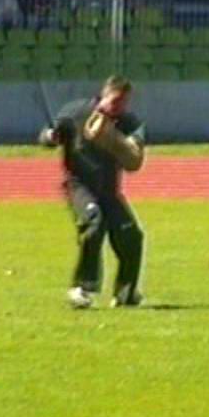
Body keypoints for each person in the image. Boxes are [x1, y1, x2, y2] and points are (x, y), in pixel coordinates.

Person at [39, 76, 146, 309]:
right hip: (79, 185)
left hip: (109, 189)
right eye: (116, 101)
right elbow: (47, 136)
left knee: (132, 235)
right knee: (94, 221)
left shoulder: (127, 122)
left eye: (125, 102)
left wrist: (127, 145)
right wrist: (50, 137)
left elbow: (135, 154)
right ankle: (82, 287)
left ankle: (126, 290)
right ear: (104, 95)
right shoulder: (76, 112)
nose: (120, 107)